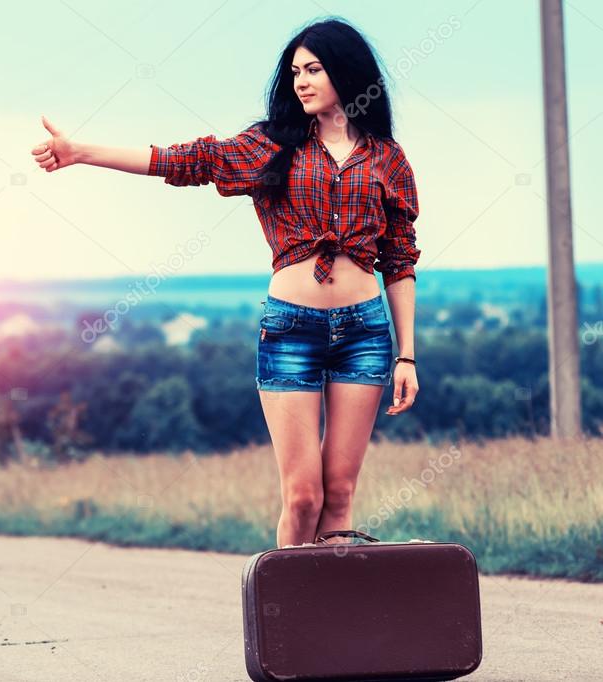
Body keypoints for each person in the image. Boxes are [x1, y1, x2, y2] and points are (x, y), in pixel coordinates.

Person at [30, 18, 420, 549]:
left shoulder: (386, 158)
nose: (301, 81)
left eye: (314, 69)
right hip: (292, 330)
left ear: (347, 73)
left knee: (340, 492)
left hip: (364, 334)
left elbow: (399, 260)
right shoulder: (271, 145)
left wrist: (407, 356)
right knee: (303, 496)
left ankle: (331, 624)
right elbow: (185, 161)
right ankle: (287, 616)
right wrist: (82, 153)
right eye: (295, 72)